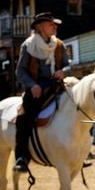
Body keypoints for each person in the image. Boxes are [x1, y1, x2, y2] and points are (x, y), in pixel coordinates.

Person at [13, 12, 69, 173]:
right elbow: (20, 71)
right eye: (51, 24)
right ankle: (21, 157)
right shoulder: (28, 45)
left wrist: (63, 71)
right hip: (36, 87)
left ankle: (78, 152)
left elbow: (67, 64)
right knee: (25, 118)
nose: (54, 26)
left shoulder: (59, 44)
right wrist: (32, 85)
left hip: (56, 84)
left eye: (54, 24)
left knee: (76, 105)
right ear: (40, 27)